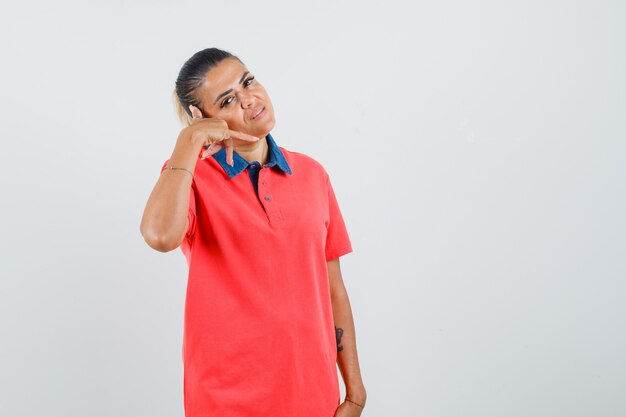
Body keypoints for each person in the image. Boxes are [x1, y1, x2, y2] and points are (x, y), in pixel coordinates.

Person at [140, 47, 366, 417]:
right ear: (201, 118)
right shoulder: (190, 176)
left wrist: (354, 390)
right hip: (226, 401)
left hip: (313, 394)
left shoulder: (312, 174)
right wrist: (188, 143)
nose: (249, 100)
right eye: (228, 100)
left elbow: (333, 290)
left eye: (248, 81)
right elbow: (159, 236)